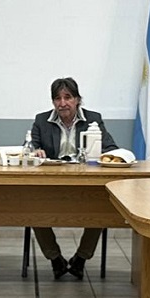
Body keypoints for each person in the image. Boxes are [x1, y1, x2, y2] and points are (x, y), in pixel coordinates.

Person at [29, 77, 116, 280]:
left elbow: (111, 148)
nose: (62, 103)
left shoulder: (94, 119)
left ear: (77, 99)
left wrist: (98, 155)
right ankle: (55, 258)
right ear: (53, 102)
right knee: (31, 210)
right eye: (57, 98)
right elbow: (31, 147)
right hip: (50, 185)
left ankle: (81, 258)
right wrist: (36, 152)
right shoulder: (42, 120)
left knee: (101, 211)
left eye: (68, 97)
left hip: (85, 184)